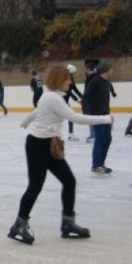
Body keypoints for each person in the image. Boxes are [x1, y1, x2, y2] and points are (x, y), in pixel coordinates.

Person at [8, 67, 114, 245]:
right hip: (38, 145)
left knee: (69, 181)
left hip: (49, 144)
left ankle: (68, 223)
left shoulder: (51, 95)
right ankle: (19, 224)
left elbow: (37, 111)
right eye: (67, 79)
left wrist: (25, 122)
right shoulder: (53, 97)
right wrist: (105, 119)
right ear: (58, 80)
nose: (70, 82)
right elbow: (75, 118)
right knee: (36, 185)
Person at [83, 61, 115, 176]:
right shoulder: (95, 81)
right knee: (100, 139)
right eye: (111, 69)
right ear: (106, 70)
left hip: (106, 116)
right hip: (97, 116)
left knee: (107, 139)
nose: (113, 71)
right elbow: (86, 96)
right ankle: (96, 165)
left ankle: (101, 163)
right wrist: (88, 112)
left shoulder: (106, 82)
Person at [64, 64, 83, 141]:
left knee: (70, 116)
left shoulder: (70, 79)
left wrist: (84, 98)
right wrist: (77, 100)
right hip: (61, 101)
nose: (72, 75)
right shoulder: (65, 79)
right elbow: (69, 92)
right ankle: (70, 134)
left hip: (64, 101)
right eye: (72, 73)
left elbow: (75, 89)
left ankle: (71, 134)